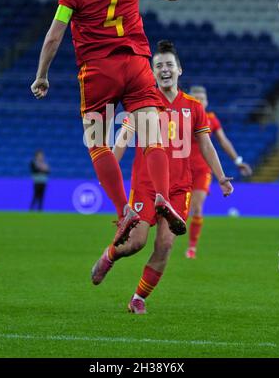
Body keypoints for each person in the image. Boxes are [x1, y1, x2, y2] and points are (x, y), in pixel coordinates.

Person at [30, 0, 196, 246]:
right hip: (136, 65)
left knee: (97, 144)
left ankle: (124, 212)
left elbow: (53, 37)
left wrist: (42, 76)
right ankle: (162, 198)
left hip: (97, 74)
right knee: (152, 137)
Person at [91, 40, 234, 314]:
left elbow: (206, 144)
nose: (164, 69)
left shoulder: (194, 107)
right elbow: (124, 137)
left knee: (166, 244)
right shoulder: (142, 103)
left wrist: (222, 177)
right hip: (145, 185)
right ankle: (110, 255)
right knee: (136, 243)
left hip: (179, 187)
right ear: (152, 72)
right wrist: (110, 168)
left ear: (179, 69)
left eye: (169, 64)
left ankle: (138, 298)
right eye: (159, 66)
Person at [186, 86, 252, 259]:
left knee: (197, 207)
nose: (200, 101)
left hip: (202, 170)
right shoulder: (182, 117)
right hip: (181, 168)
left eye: (202, 98)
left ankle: (192, 247)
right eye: (196, 98)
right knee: (179, 210)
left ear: (207, 101)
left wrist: (238, 161)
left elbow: (223, 141)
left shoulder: (211, 119)